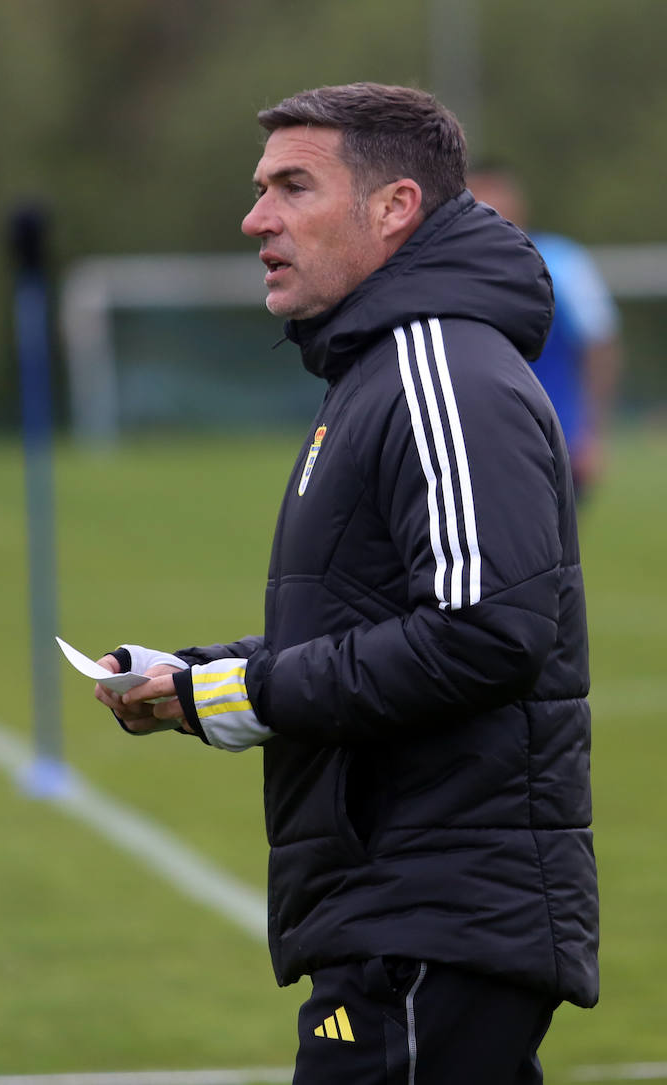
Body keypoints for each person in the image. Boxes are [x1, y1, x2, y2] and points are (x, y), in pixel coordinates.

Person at [91, 83, 598, 1085]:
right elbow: (372, 622)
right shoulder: (374, 372)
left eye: (292, 186)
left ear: (393, 208)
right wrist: (199, 682)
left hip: (432, 915)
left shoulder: (436, 365)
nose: (257, 218)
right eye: (259, 188)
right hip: (404, 911)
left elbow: (485, 633)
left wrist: (234, 692)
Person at [467, 162, 622, 496]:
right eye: (478, 194)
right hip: (471, 445)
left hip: (554, 442)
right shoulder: (443, 269)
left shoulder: (562, 261)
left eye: (497, 193)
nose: (490, 205)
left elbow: (600, 345)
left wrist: (592, 434)